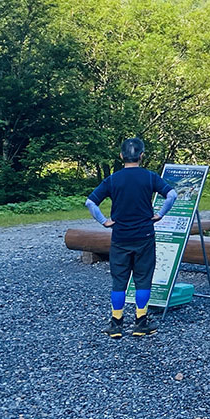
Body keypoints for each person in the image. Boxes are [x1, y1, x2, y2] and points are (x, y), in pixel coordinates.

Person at [85, 137, 177, 338]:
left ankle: (116, 323)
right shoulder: (150, 177)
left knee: (119, 281)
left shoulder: (113, 179)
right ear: (142, 156)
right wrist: (160, 214)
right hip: (144, 235)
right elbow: (172, 195)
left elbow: (90, 203)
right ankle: (140, 322)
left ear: (121, 156)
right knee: (143, 279)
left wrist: (104, 221)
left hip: (120, 237)